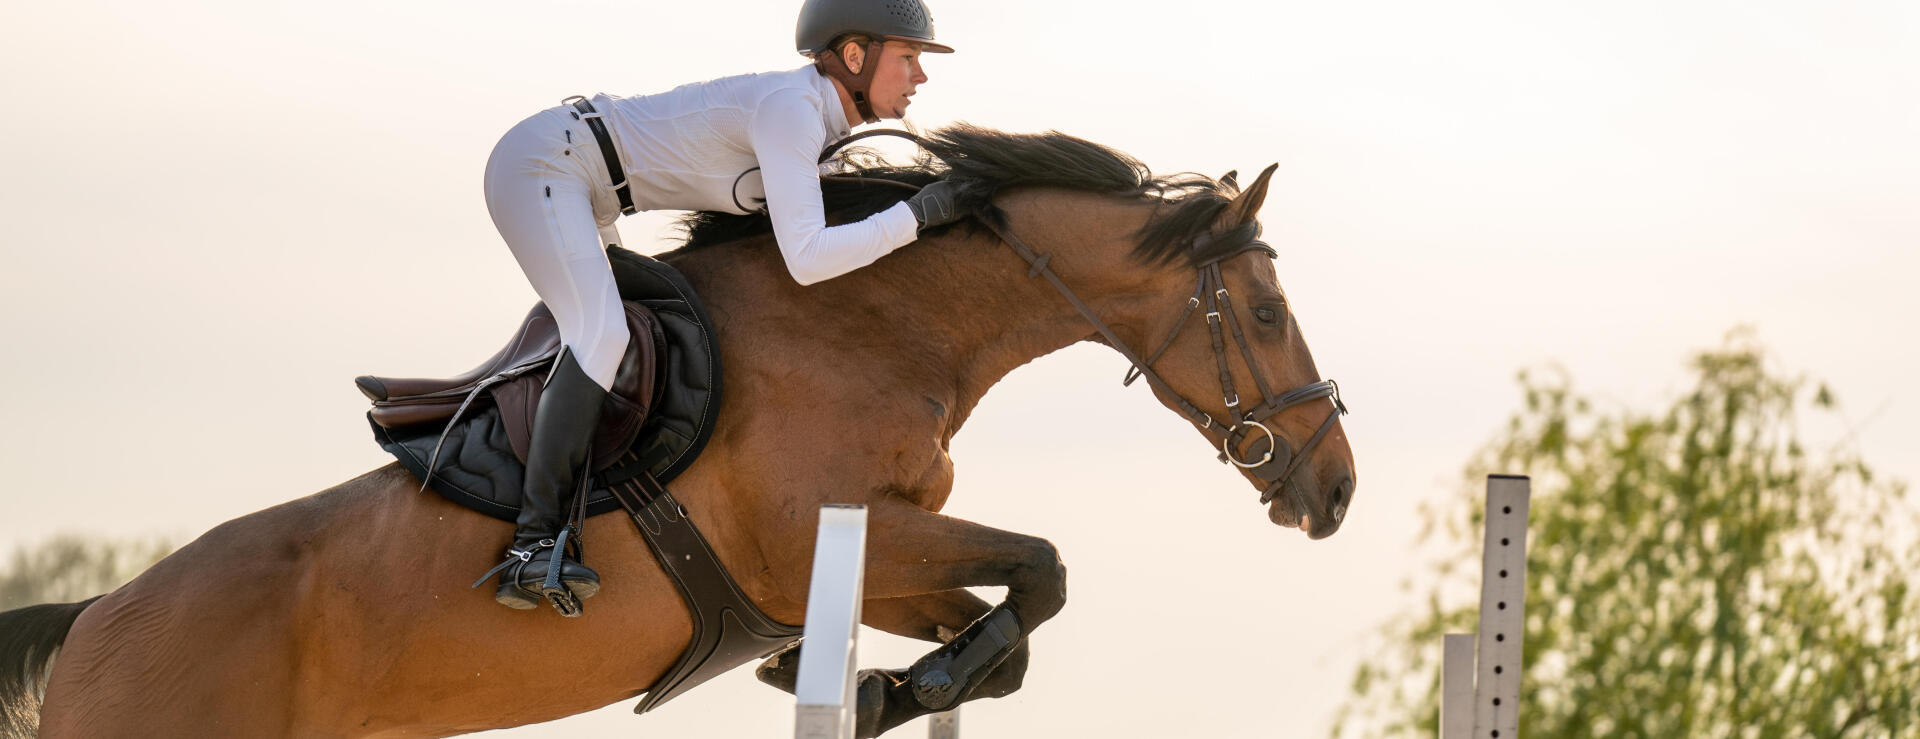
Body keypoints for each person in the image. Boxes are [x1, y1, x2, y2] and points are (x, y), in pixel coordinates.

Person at [478, 0, 963, 614]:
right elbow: (810, 258)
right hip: (544, 165)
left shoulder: (818, 130)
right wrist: (917, 217)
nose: (920, 75)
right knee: (601, 337)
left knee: (632, 336)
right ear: (854, 56)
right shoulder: (792, 111)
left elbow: (840, 240)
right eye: (910, 57)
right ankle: (532, 545)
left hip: (585, 184)